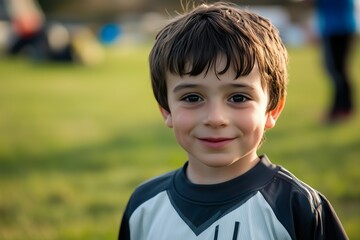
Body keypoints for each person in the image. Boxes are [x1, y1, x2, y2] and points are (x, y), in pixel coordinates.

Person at [118, 2, 348, 239]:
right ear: (166, 110)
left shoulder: (298, 208)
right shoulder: (143, 207)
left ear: (272, 110)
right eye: (192, 97)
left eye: (238, 97)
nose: (216, 118)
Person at [315, 0, 357, 123]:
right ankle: (339, 108)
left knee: (337, 70)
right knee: (336, 70)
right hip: (335, 27)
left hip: (339, 28)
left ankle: (343, 109)